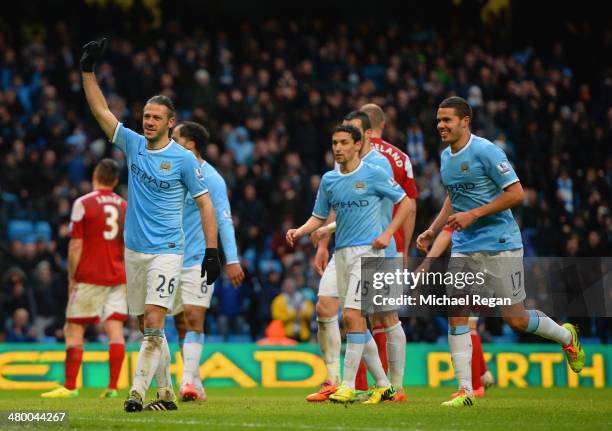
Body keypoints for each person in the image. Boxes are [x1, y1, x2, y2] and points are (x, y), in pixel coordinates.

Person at [80, 38, 221, 412]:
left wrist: (211, 251)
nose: (148, 121)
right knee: (146, 325)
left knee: (156, 319)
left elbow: (206, 204)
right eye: (146, 115)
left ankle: (136, 394)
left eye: (156, 117)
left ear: (170, 123)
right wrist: (87, 71)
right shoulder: (133, 144)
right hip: (134, 250)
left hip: (167, 252)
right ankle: (166, 394)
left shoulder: (183, 160)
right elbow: (100, 111)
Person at [416, 96, 584, 407]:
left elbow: (516, 194)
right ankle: (466, 390)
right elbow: (454, 197)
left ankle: (566, 337)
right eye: (438, 120)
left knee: (516, 320)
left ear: (465, 121)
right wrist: (434, 228)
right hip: (466, 246)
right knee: (457, 313)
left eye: (447, 120)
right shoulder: (445, 158)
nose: (440, 125)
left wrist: (475, 214)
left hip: (501, 244)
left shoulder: (486, 151)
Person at [286, 124, 411, 404]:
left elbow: (406, 204)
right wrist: (301, 231)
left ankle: (348, 384)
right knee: (327, 307)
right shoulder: (329, 179)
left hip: (368, 253)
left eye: (344, 142)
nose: (338, 148)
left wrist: (388, 234)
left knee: (354, 317)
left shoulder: (374, 173)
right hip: (341, 252)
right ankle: (383, 384)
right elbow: (318, 217)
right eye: (335, 143)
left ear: (357, 145)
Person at [170, 121, 245, 402]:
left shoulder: (211, 178)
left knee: (193, 318)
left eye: (174, 138)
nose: (170, 141)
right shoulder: (172, 172)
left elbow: (224, 221)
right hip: (170, 257)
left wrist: (232, 259)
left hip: (199, 259)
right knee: (179, 323)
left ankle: (186, 380)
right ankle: (196, 383)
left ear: (190, 144)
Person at [41, 159, 127, 399]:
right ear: (116, 181)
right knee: (115, 330)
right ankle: (112, 387)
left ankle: (70, 387)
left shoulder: (83, 203)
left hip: (90, 276)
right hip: (118, 276)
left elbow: (76, 245)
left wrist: (72, 277)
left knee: (74, 329)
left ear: (95, 176)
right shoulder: (124, 206)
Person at [418, 225, 495, 398]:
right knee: (469, 324)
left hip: (477, 262)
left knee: (465, 324)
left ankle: (476, 385)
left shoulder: (467, 207)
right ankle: (481, 374)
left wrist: (426, 263)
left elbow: (447, 232)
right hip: (485, 260)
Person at [271, 277, 315, 341]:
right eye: (288, 287)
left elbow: (311, 313)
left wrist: (301, 313)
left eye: (292, 286)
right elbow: (276, 317)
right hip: (286, 335)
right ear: (284, 287)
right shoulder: (279, 300)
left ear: (295, 287)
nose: (290, 288)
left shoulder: (302, 298)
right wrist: (293, 314)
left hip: (303, 335)